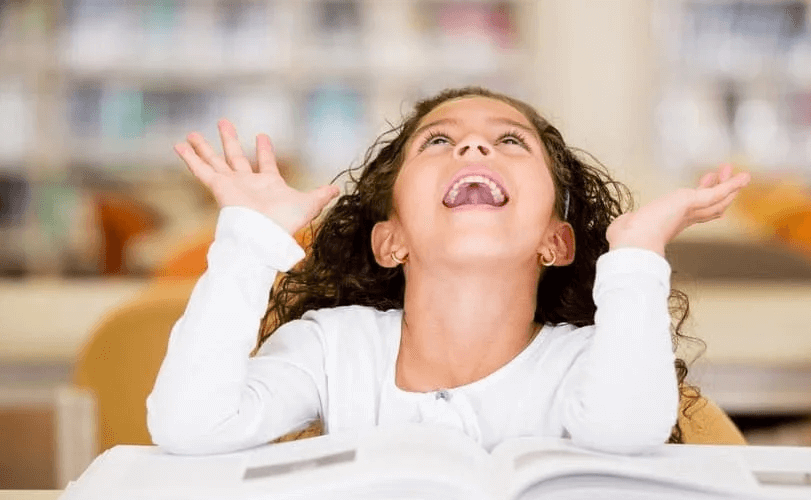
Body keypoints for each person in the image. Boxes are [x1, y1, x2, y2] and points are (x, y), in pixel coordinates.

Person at [147, 87, 750, 456]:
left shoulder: (587, 361)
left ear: (555, 242)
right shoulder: (332, 348)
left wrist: (636, 252)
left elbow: (630, 431)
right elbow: (191, 426)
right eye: (437, 141)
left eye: (511, 141)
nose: (473, 148)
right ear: (391, 241)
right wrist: (249, 241)